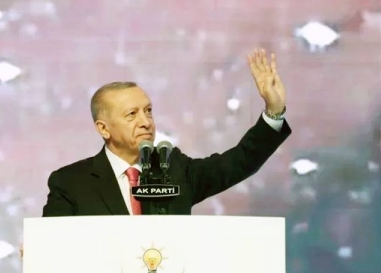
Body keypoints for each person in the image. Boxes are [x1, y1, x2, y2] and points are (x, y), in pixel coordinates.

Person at [42, 48, 291, 216]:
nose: (146, 122)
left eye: (148, 111)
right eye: (132, 114)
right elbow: (53, 246)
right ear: (103, 128)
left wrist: (274, 111)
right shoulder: (71, 183)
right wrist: (39, 249)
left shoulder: (175, 170)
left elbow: (238, 163)